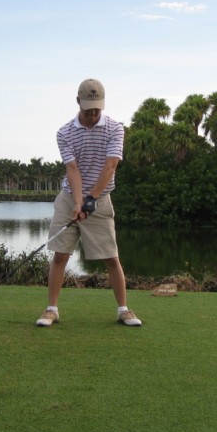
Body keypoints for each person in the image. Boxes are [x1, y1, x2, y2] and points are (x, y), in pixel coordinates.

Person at [36, 78, 141, 327]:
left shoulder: (115, 128)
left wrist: (91, 199)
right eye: (89, 109)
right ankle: (51, 310)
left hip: (101, 199)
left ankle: (123, 310)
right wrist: (78, 201)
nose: (94, 114)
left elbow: (111, 165)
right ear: (78, 103)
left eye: (97, 108)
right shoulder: (65, 132)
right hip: (68, 198)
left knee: (111, 257)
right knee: (60, 255)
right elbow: (72, 169)